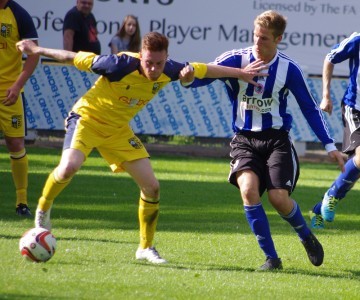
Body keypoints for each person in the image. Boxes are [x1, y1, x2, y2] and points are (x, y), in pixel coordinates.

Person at [16, 32, 267, 264]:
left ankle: (145, 248)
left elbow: (206, 69)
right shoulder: (118, 64)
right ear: (141, 56)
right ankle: (43, 209)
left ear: (166, 58)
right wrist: (36, 49)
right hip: (87, 120)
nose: (154, 69)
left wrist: (240, 74)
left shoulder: (171, 70)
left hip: (118, 131)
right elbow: (72, 57)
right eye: (149, 63)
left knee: (152, 186)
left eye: (159, 63)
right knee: (68, 168)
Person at [184, 10, 345, 271]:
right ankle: (272, 258)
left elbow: (309, 108)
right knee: (248, 191)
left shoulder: (288, 68)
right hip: (244, 140)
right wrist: (187, 77)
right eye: (255, 37)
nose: (257, 43)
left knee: (278, 199)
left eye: (265, 39)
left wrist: (330, 146)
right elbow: (202, 76)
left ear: (279, 39)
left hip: (276, 141)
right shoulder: (236, 59)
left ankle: (305, 235)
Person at [310, 32, 360, 229]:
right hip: (355, 109)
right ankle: (331, 196)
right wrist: (326, 95)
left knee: (356, 165)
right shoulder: (357, 40)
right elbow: (330, 58)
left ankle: (318, 207)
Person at [0, 0, 39, 216]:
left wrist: (17, 85)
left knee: (15, 143)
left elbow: (34, 54)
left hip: (9, 93)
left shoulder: (19, 15)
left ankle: (21, 201)